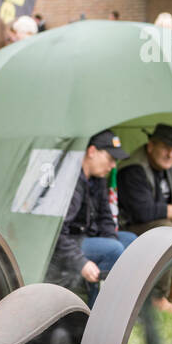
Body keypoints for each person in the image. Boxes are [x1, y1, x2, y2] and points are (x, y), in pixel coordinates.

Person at [47, 130, 135, 305]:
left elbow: (106, 218)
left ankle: (125, 305)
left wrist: (112, 241)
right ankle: (96, 316)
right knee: (113, 250)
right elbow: (55, 234)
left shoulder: (98, 178)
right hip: (65, 244)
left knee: (132, 242)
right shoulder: (68, 181)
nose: (113, 166)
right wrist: (81, 263)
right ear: (92, 151)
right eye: (110, 158)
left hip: (87, 236)